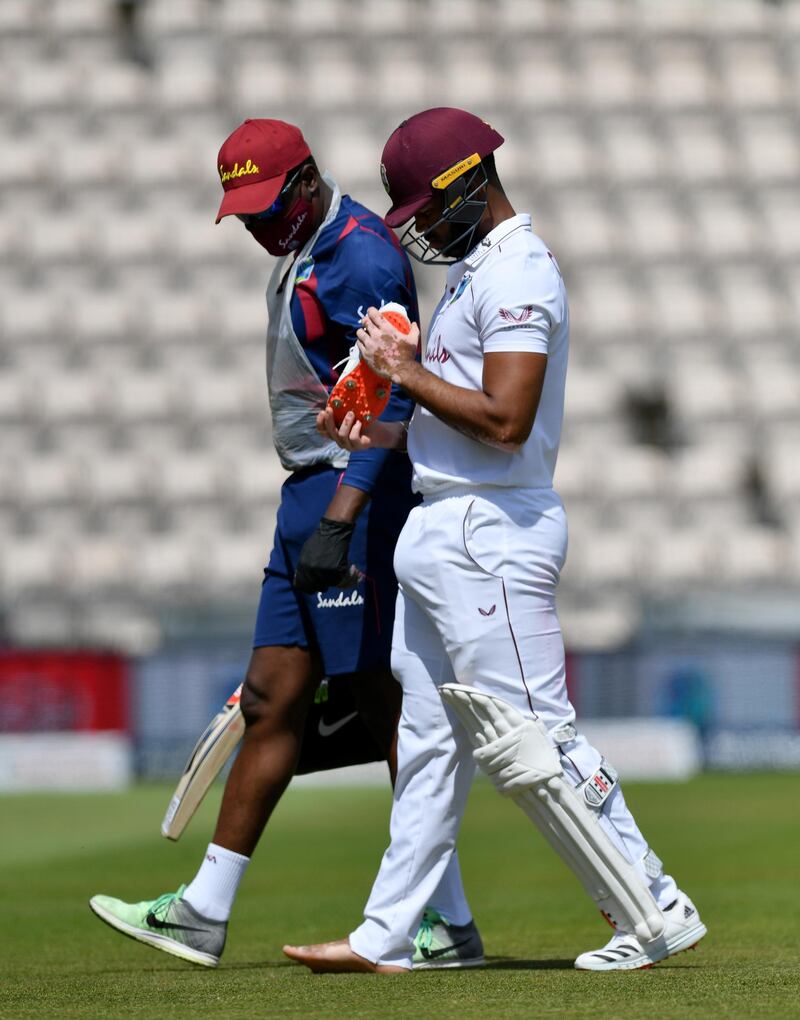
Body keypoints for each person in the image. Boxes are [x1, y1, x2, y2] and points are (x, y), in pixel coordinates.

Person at [283, 107, 707, 974]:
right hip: (448, 519)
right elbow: (460, 422)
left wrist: (405, 374)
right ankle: (388, 935)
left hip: (491, 530)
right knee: (433, 740)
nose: (422, 231)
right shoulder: (477, 270)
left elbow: (507, 421)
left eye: (428, 210)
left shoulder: (520, 269)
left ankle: (654, 904)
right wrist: (386, 433)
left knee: (537, 734)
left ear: (471, 183)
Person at [89, 118, 481, 970]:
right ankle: (202, 911)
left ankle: (444, 920)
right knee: (270, 702)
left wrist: (342, 518)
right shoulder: (303, 247)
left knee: (385, 705)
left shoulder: (364, 256)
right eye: (247, 215)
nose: (261, 227)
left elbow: (393, 401)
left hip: (356, 499)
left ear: (308, 179)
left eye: (269, 206)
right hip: (307, 495)